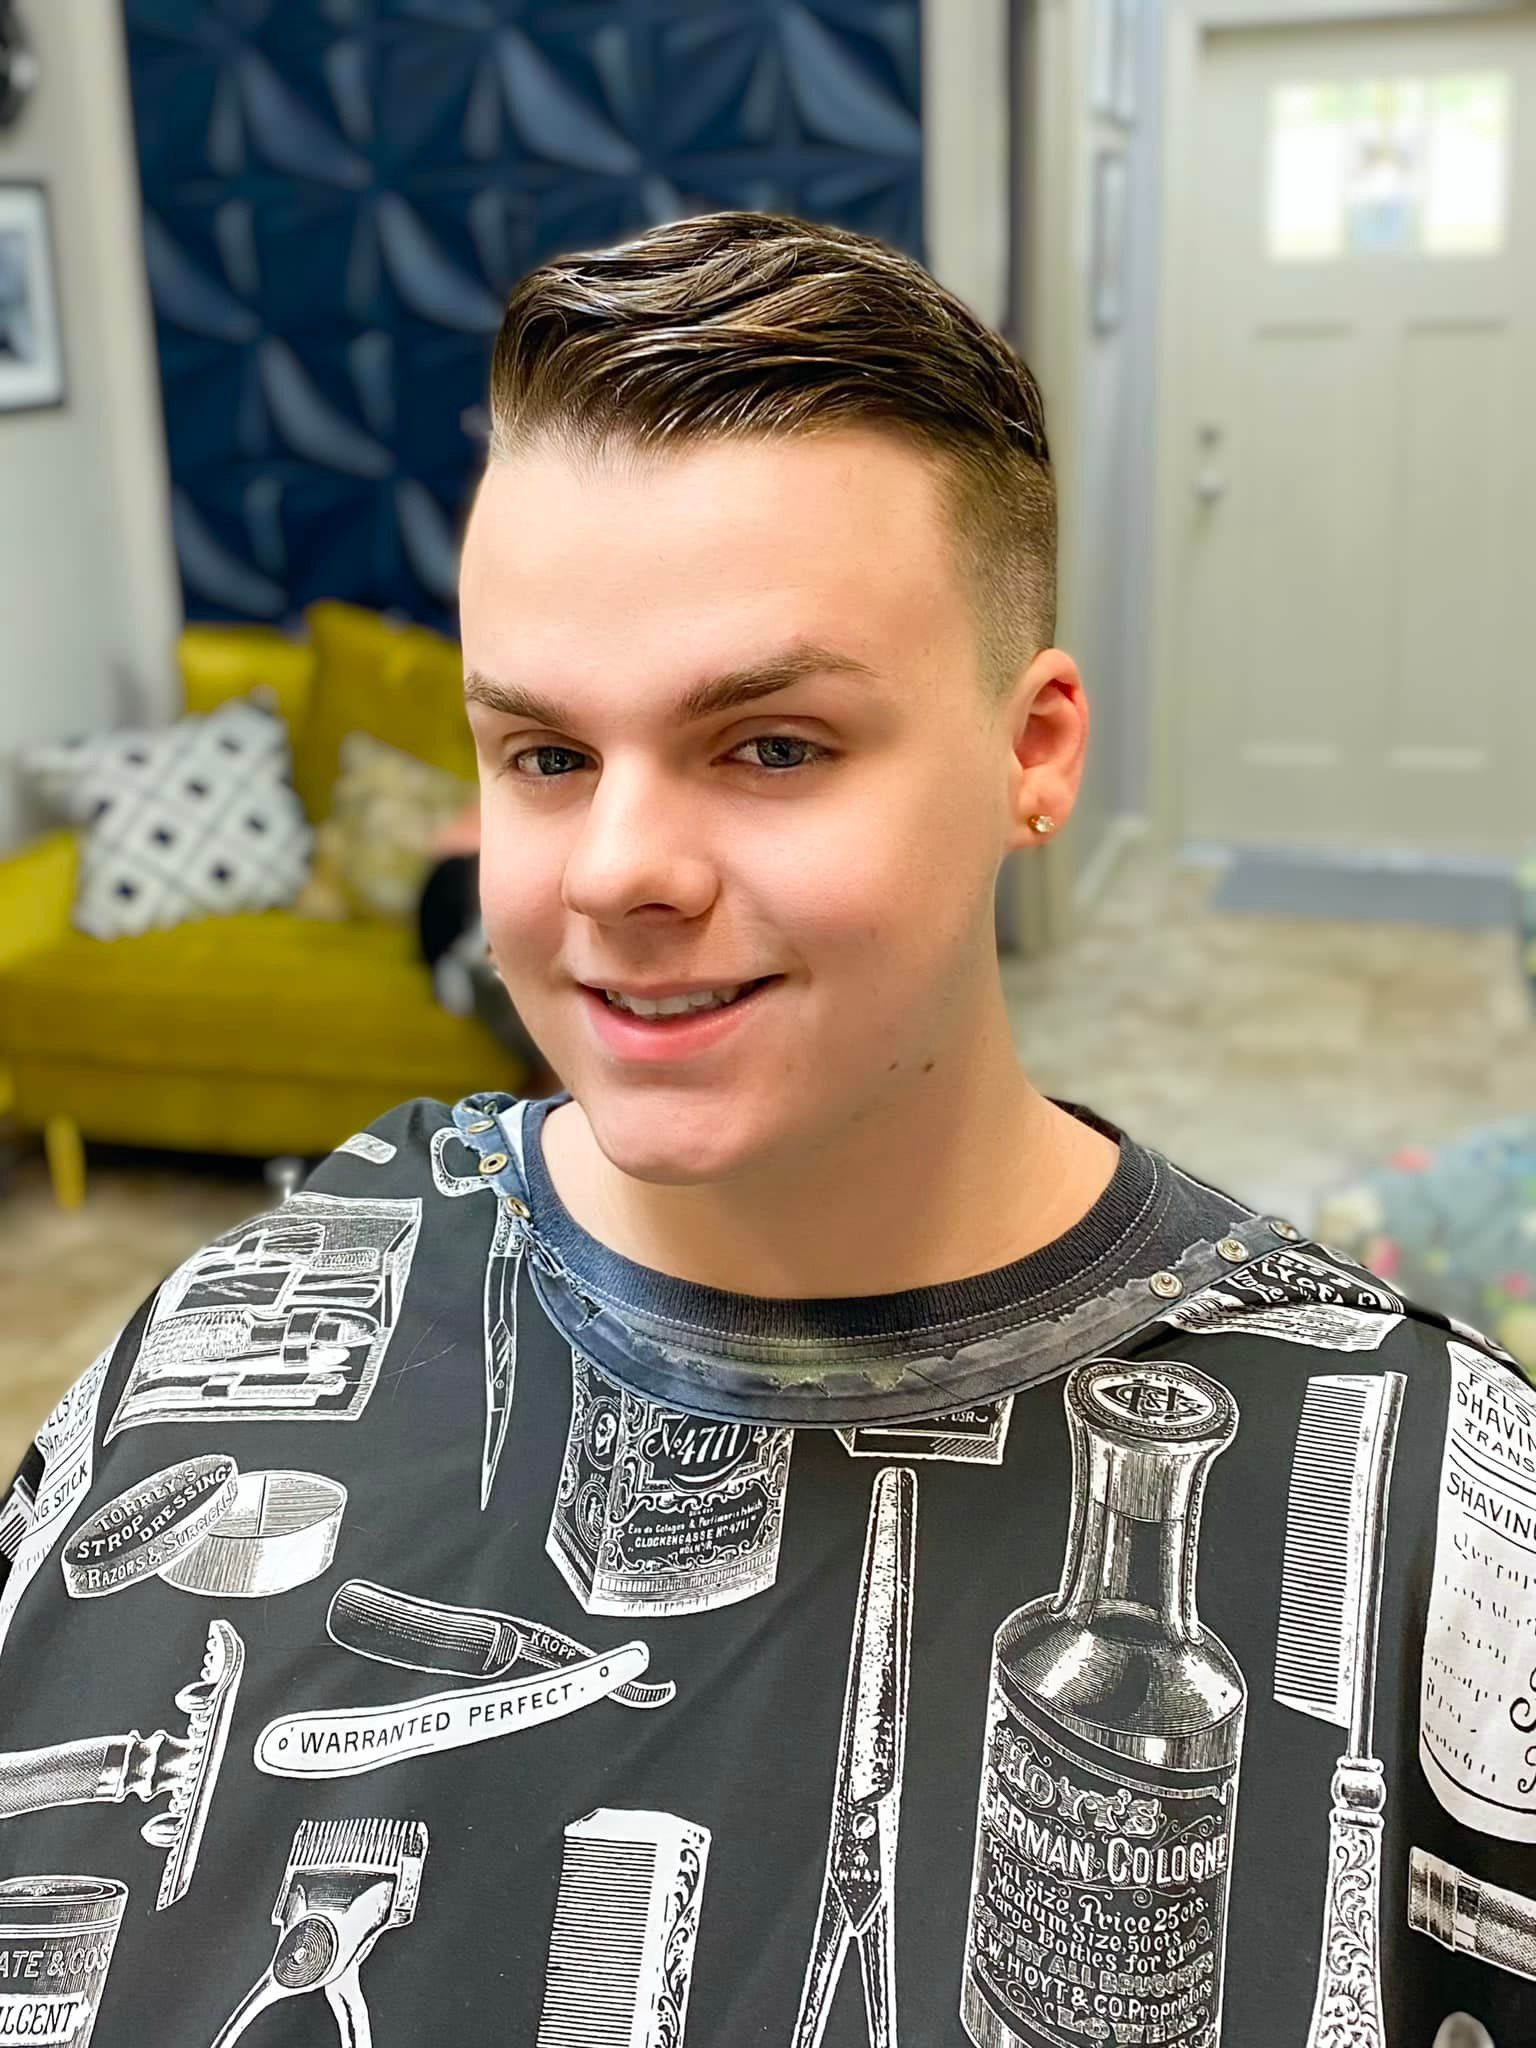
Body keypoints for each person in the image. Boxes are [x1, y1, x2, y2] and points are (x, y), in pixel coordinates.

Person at [0, 209, 1528, 2048]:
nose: (617, 872)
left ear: (1035, 754)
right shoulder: (232, 1340)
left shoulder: (1448, 1510)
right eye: (547, 757)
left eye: (773, 746)